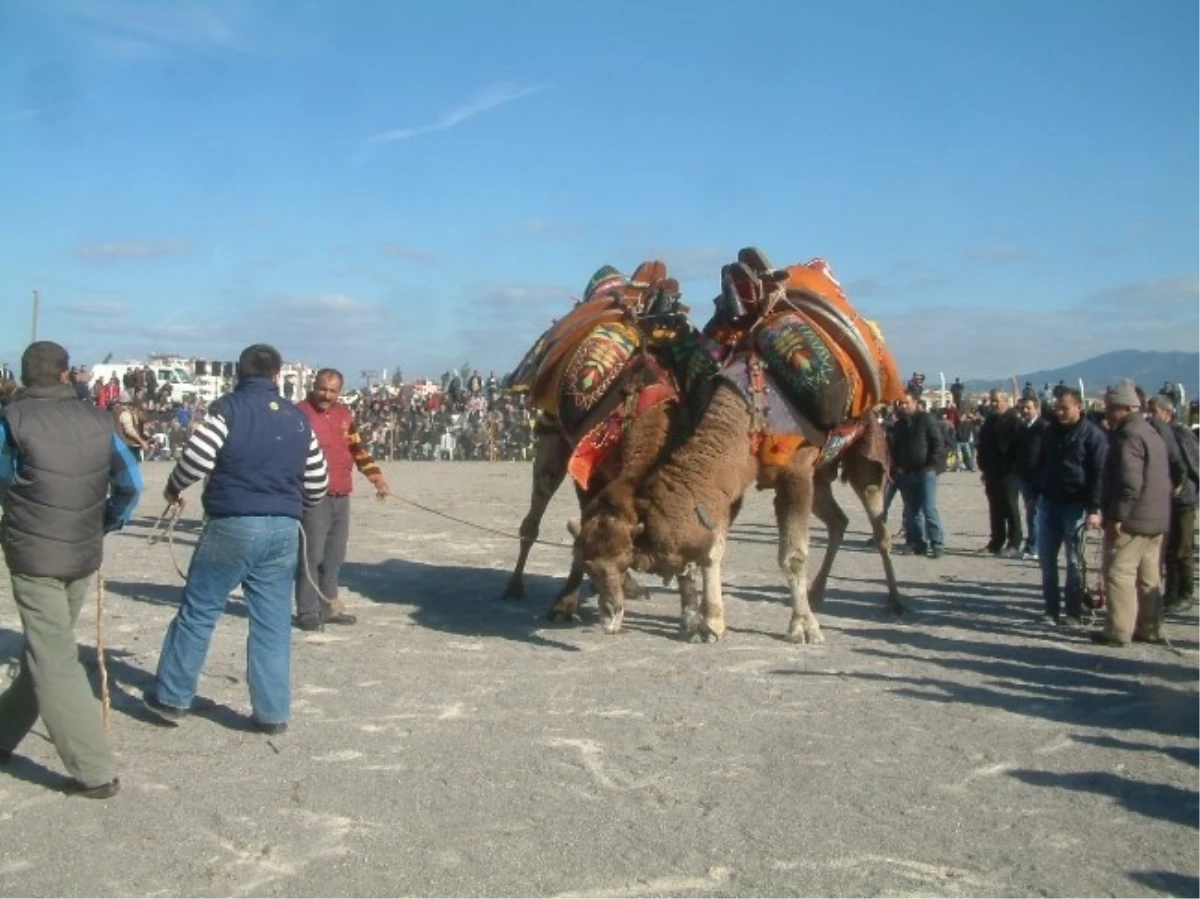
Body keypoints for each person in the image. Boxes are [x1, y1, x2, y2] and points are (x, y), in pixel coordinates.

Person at [144, 345, 328, 733]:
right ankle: (272, 713)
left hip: (232, 521)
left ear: (239, 374)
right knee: (273, 623)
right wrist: (291, 502)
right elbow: (318, 482)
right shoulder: (298, 418)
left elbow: (196, 459)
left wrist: (174, 488)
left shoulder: (228, 409)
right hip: (283, 527)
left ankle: (172, 697)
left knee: (200, 611)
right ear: (277, 376)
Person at [0, 341, 142, 798]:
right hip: (81, 552)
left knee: (53, 655)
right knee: (48, 648)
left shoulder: (11, 422)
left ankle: (94, 770)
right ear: (67, 376)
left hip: (34, 554)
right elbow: (131, 485)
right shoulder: (99, 420)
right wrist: (105, 522)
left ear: (25, 377)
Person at [294, 368, 390, 632]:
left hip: (341, 495)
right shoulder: (298, 414)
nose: (327, 395)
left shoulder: (345, 416)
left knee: (334, 556)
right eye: (322, 388)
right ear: (313, 386)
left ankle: (327, 608)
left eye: (333, 390)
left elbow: (358, 451)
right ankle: (307, 611)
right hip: (312, 496)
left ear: (340, 391)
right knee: (311, 556)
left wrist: (376, 478)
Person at [1092, 380, 1172, 646]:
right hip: (1156, 518)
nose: (1106, 413)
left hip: (1133, 520)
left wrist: (1117, 516)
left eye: (1110, 408)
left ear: (1125, 408)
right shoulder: (1151, 432)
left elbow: (1130, 483)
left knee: (1120, 573)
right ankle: (1150, 627)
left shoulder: (1128, 436)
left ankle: (1118, 630)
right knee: (1149, 577)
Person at [1033, 387, 1106, 624]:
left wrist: (1094, 509)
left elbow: (1098, 474)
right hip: (1049, 502)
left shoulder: (1093, 436)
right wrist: (1036, 492)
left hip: (1075, 504)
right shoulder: (1050, 432)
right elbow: (1041, 462)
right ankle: (1050, 609)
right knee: (1046, 558)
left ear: (1078, 407)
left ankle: (1073, 612)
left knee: (1074, 560)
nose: (1060, 412)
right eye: (1057, 408)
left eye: (1064, 408)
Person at [1147, 395, 1199, 614]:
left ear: (1167, 412)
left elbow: (1195, 465)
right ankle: (1171, 591)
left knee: (1182, 548)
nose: (1150, 416)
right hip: (1165, 499)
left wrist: (1185, 486)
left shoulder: (1181, 434)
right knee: (1168, 549)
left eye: (1154, 411)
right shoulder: (1157, 434)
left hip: (1183, 499)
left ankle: (1185, 593)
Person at [887, 391, 945, 558]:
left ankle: (937, 543)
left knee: (928, 507)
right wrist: (898, 466)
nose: (904, 406)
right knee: (912, 511)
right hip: (907, 472)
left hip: (926, 472)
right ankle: (917, 543)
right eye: (901, 403)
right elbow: (896, 448)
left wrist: (931, 465)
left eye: (907, 402)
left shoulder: (926, 419)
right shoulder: (900, 425)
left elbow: (937, 443)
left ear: (916, 402)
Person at [976, 389, 1023, 556]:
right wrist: (983, 467)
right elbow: (982, 445)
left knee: (1010, 507)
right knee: (995, 508)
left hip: (1009, 472)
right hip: (991, 472)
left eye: (997, 400)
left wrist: (1013, 468)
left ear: (1006, 400)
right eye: (992, 401)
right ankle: (996, 541)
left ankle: (1014, 542)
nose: (994, 404)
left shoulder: (1014, 422)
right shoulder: (990, 421)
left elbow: (1019, 448)